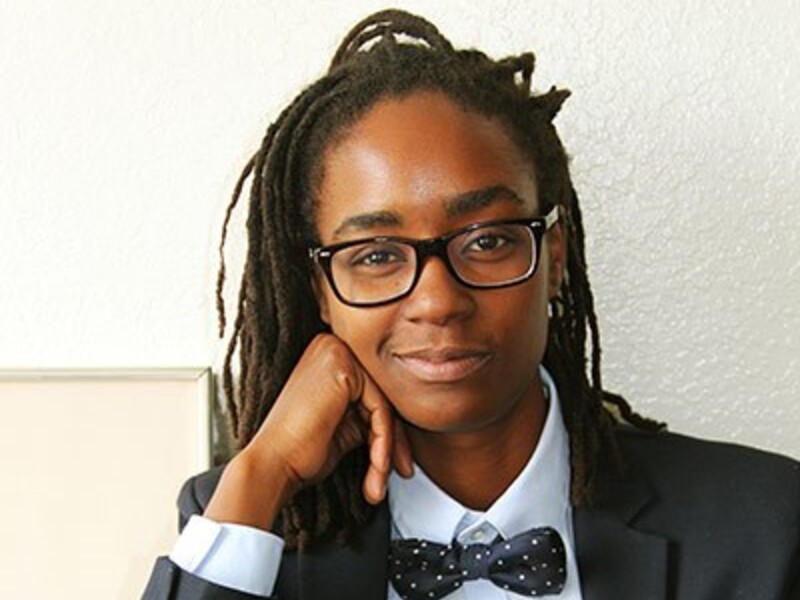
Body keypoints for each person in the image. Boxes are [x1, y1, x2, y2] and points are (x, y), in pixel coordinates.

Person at [142, 9, 800, 600]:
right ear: (319, 288)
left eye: (486, 241)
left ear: (556, 256)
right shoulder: (249, 524)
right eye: (375, 254)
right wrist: (263, 469)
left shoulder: (762, 527)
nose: (438, 302)